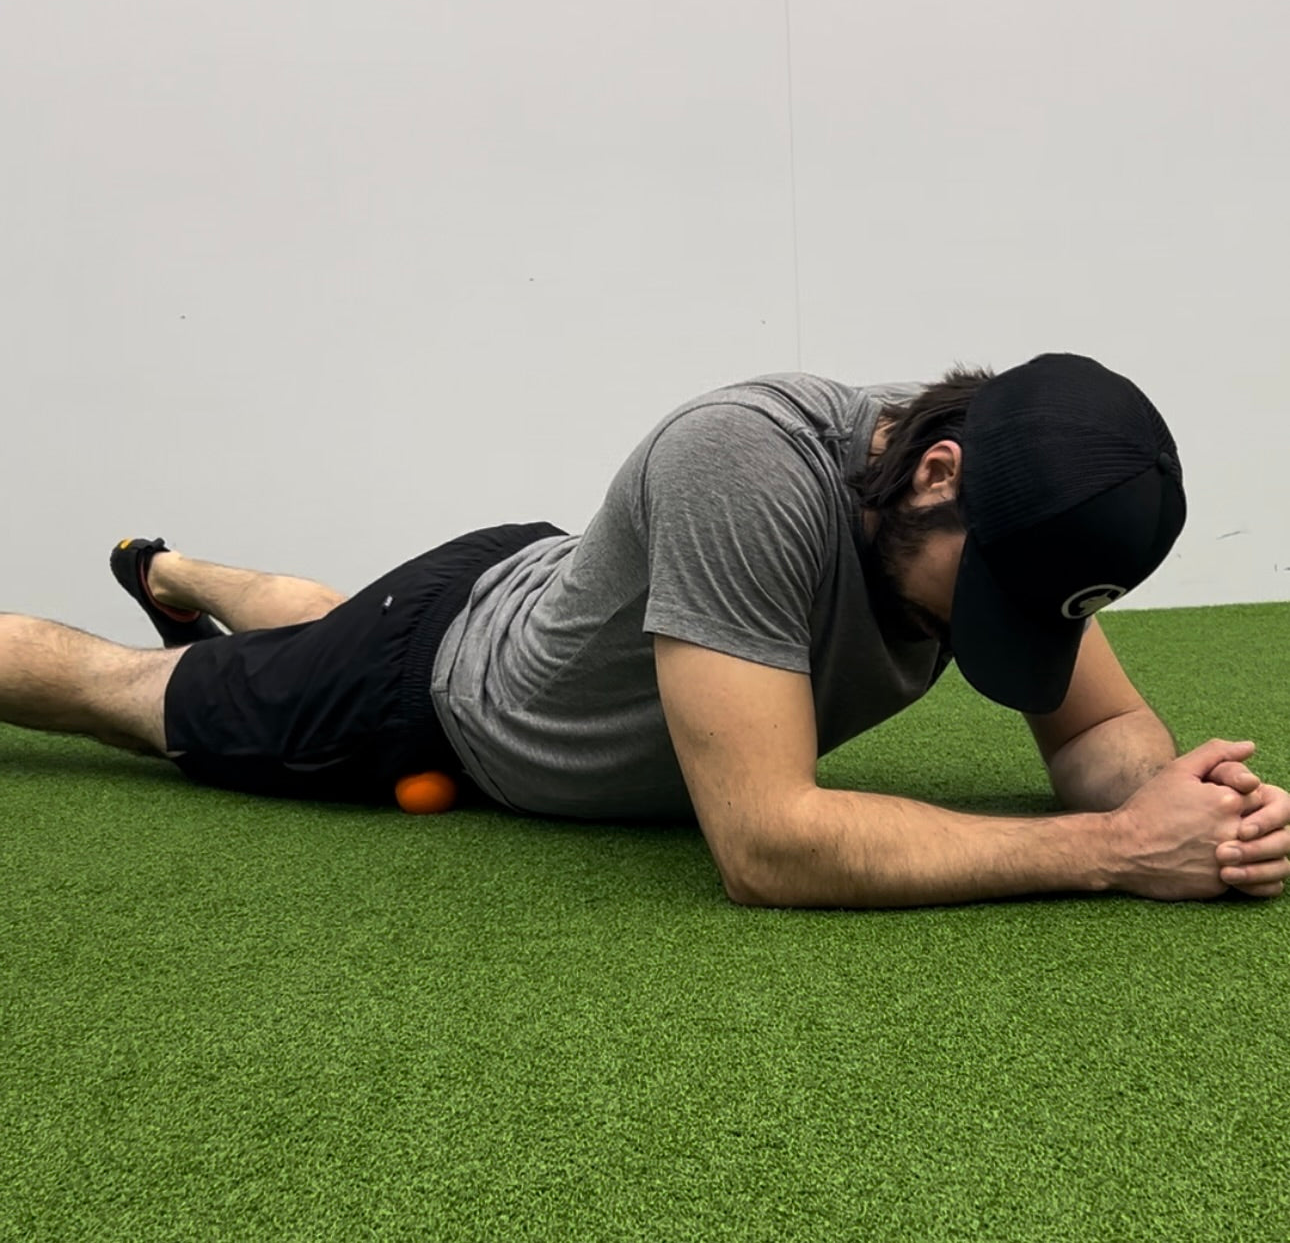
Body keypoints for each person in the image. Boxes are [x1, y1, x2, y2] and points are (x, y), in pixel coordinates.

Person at [2, 353, 1285, 907]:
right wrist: (1115, 848)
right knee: (133, 693)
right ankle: (171, 602)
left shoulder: (1006, 491)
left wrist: (1192, 803)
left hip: (522, 587)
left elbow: (1105, 721)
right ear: (936, 472)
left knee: (333, 606)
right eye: (987, 601)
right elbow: (769, 849)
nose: (984, 635)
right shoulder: (746, 460)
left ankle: (178, 564)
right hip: (431, 689)